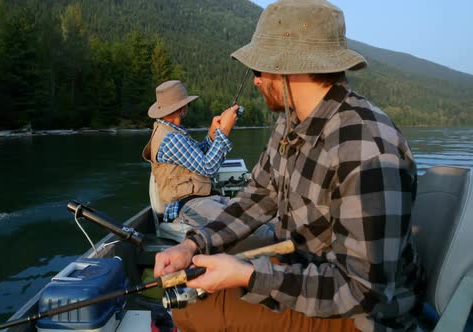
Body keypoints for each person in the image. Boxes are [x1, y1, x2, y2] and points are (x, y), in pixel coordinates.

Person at [153, 1, 423, 331]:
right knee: (188, 295)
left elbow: (362, 291)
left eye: (259, 69)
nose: (255, 81)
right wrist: (192, 244)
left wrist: (249, 276)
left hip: (362, 317)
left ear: (287, 71)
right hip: (304, 271)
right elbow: (257, 198)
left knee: (192, 312)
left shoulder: (366, 148)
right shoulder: (290, 124)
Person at [142, 80, 238, 224]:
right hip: (187, 206)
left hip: (201, 200)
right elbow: (208, 168)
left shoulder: (172, 132)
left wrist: (212, 134)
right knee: (241, 223)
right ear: (182, 109)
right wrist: (224, 131)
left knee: (250, 213)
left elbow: (197, 157)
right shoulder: (171, 138)